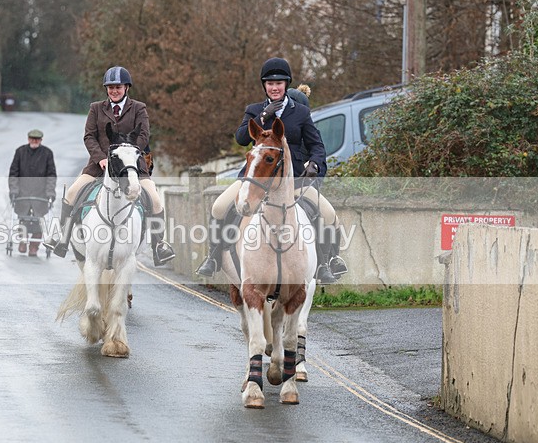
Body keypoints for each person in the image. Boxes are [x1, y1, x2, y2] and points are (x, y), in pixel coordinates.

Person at [195, 57, 347, 283]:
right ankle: (213, 256)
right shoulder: (254, 110)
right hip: (256, 179)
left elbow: (316, 146)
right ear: (264, 85)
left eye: (279, 83)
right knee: (219, 207)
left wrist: (314, 164)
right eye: (269, 83)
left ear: (286, 85)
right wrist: (265, 114)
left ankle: (327, 261)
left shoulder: (301, 113)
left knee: (328, 214)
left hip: (292, 181)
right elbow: (241, 138)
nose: (274, 87)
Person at [44, 66, 175, 266]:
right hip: (100, 167)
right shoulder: (96, 108)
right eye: (110, 87)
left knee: (155, 200)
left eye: (118, 87)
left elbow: (144, 136)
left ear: (126, 88)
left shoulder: (139, 108)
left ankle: (159, 246)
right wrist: (101, 158)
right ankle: (61, 237)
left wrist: (127, 156)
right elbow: (89, 136)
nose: (114, 91)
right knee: (71, 193)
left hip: (133, 167)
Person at [8, 129, 56, 256]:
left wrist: (50, 192)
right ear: (28, 139)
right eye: (32, 139)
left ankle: (34, 245)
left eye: (37, 139)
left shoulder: (47, 153)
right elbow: (13, 173)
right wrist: (14, 190)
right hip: (22, 193)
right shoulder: (20, 152)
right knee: (23, 218)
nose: (34, 141)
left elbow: (51, 175)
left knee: (38, 220)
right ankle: (23, 240)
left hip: (40, 193)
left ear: (41, 140)